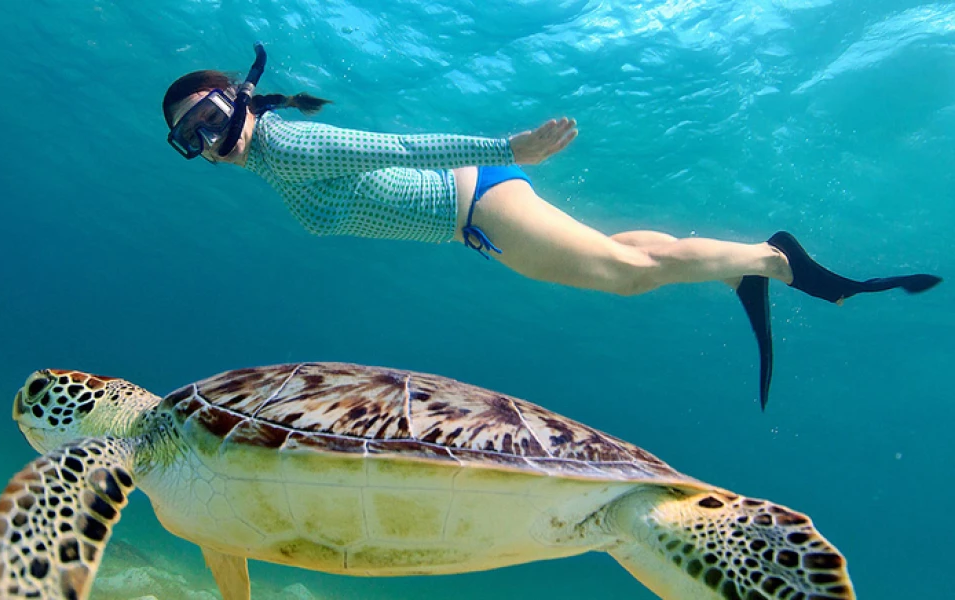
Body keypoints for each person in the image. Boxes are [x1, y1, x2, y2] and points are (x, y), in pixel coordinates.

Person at [161, 43, 941, 409]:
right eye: (185, 139)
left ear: (236, 98)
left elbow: (397, 146)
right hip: (473, 211)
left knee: (624, 280)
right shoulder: (271, 159)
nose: (203, 141)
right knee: (627, 257)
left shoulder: (285, 143)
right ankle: (747, 263)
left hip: (474, 204)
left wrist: (512, 146)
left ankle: (773, 263)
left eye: (202, 118)